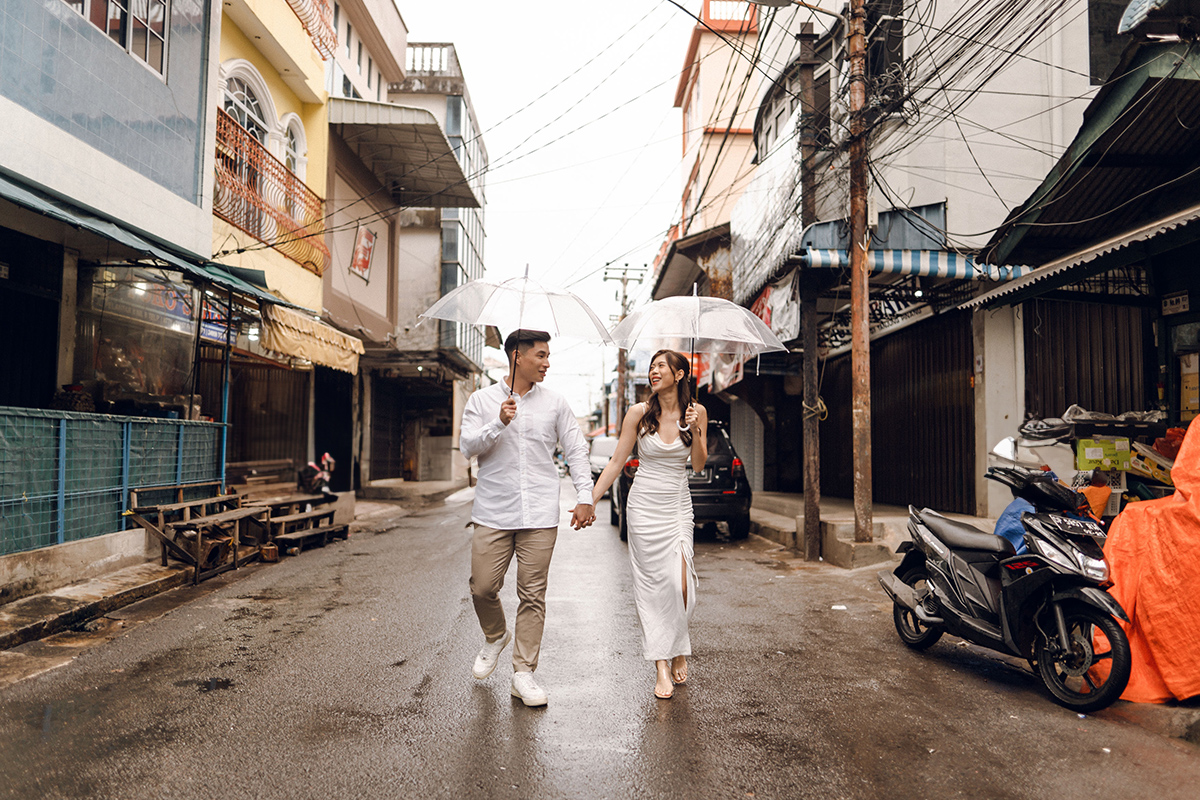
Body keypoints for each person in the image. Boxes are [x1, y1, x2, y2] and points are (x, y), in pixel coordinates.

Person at [458, 329, 595, 707]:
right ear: (517, 356)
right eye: (541, 355)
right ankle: (495, 635)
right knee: (482, 587)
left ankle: (523, 673)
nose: (547, 362)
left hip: (539, 512)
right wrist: (497, 423)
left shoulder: (555, 403)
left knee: (532, 594)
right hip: (493, 510)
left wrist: (585, 496)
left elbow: (577, 450)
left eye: (548, 355)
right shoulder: (483, 399)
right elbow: (466, 447)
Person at [591, 349, 708, 700]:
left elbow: (699, 465)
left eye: (661, 367)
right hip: (643, 509)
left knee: (681, 586)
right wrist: (590, 499)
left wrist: (697, 429)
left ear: (680, 374)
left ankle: (679, 643)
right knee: (650, 588)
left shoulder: (697, 411)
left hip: (677, 508)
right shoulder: (639, 414)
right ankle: (661, 663)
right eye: (652, 367)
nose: (654, 372)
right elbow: (615, 462)